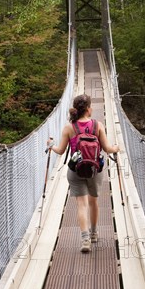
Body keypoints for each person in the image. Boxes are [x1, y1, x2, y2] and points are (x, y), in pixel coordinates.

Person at [47, 94, 119, 253]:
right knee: (93, 202)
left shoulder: (69, 128)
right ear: (88, 108)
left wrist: (51, 145)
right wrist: (117, 148)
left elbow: (60, 151)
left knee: (81, 204)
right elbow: (107, 149)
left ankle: (85, 239)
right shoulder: (97, 125)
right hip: (95, 170)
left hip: (75, 170)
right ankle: (94, 233)